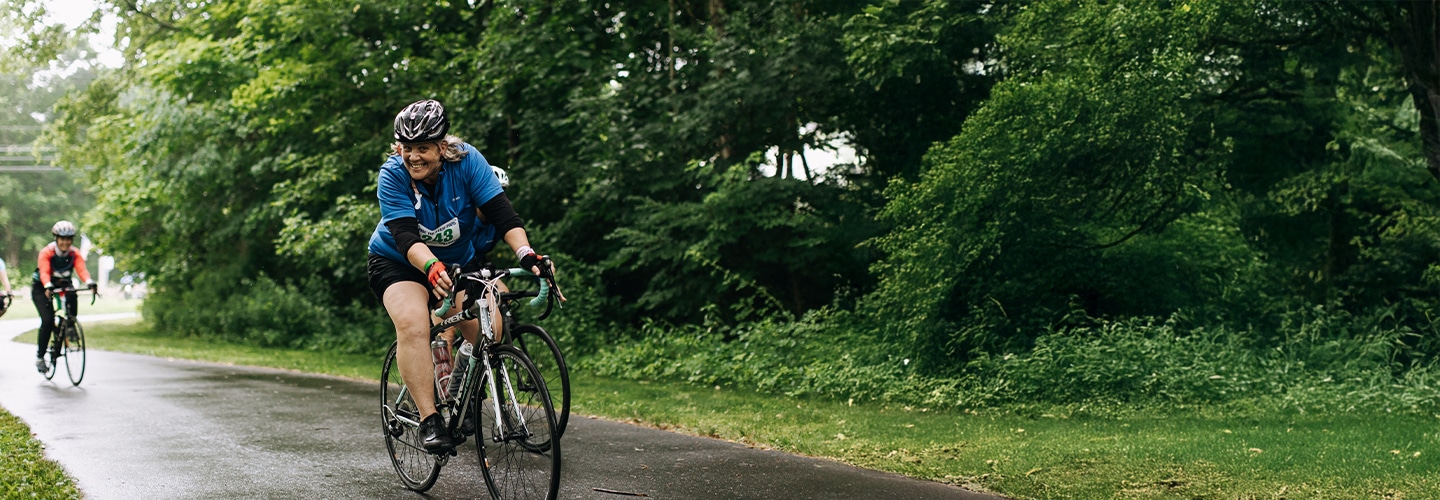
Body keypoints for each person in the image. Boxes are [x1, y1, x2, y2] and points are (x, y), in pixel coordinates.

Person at [367, 99, 554, 454]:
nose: (414, 157)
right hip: (399, 262)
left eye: (423, 148)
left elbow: (504, 215)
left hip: (457, 264)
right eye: (407, 148)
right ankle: (430, 421)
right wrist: (431, 266)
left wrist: (527, 254)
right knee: (413, 324)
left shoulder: (468, 161)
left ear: (442, 146)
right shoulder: (393, 173)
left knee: (491, 329)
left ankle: (463, 396)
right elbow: (406, 236)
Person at [32, 221, 97, 373]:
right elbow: (44, 272)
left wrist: (90, 282)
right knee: (48, 321)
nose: (65, 242)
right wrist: (47, 284)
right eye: (62, 238)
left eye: (69, 239)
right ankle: (40, 357)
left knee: (72, 294)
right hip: (42, 286)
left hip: (62, 283)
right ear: (56, 238)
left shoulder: (74, 254)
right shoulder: (47, 252)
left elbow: (82, 270)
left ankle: (69, 325)